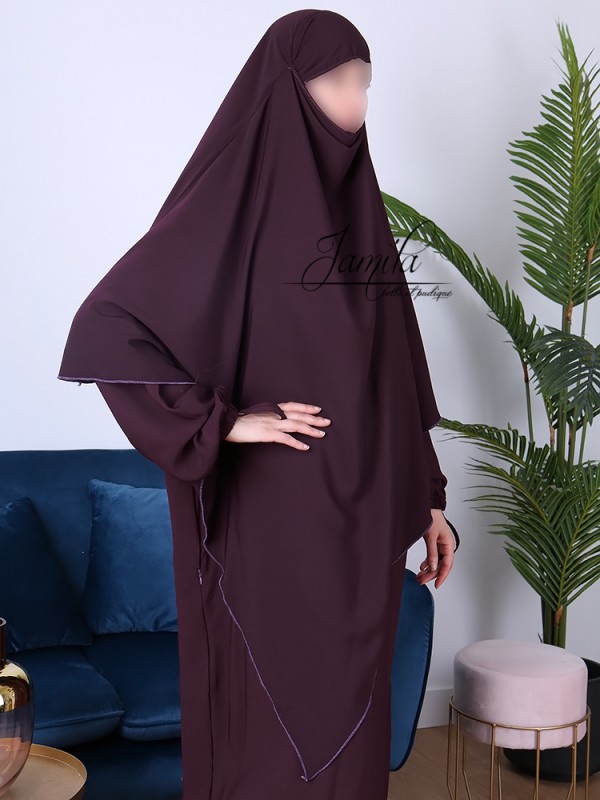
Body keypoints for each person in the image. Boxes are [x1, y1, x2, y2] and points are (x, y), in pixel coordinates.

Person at [58, 9, 458, 799]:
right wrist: (225, 422)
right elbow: (107, 327)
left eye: (365, 84)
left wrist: (429, 499)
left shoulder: (361, 221)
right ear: (286, 88)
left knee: (351, 741)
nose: (356, 103)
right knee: (264, 737)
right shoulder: (226, 208)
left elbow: (394, 378)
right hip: (268, 521)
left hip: (361, 525)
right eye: (336, 81)